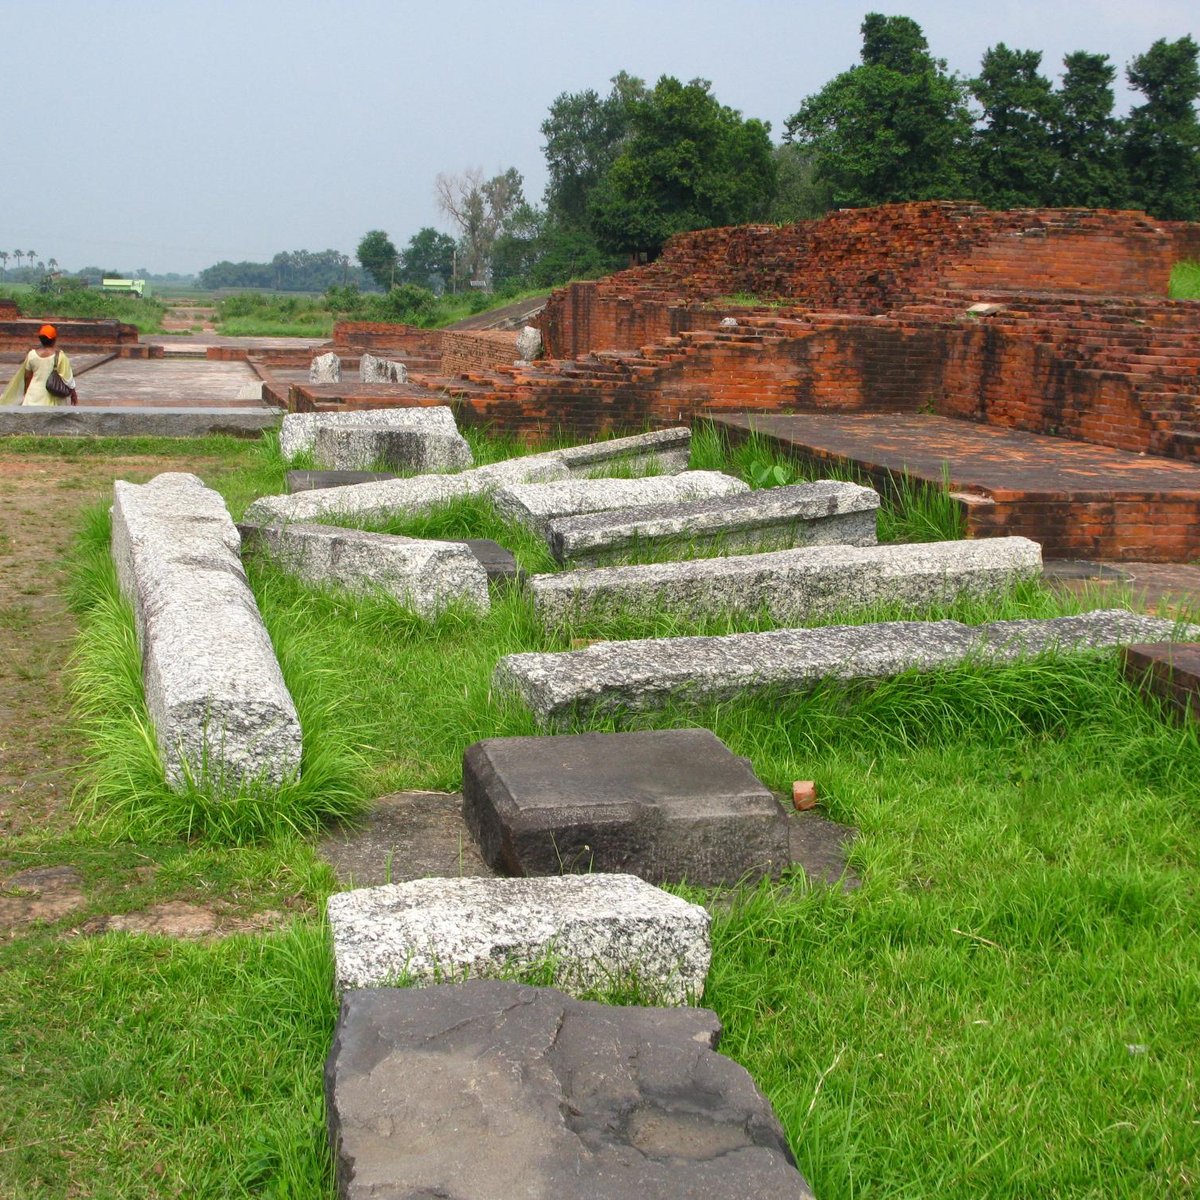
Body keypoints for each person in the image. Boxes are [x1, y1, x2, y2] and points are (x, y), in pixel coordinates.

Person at [0, 323, 79, 406]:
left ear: (40, 339)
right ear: (54, 339)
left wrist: (27, 392)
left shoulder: (32, 355)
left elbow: (27, 377)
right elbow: (68, 379)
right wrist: (73, 394)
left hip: (33, 395)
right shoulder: (60, 356)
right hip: (53, 398)